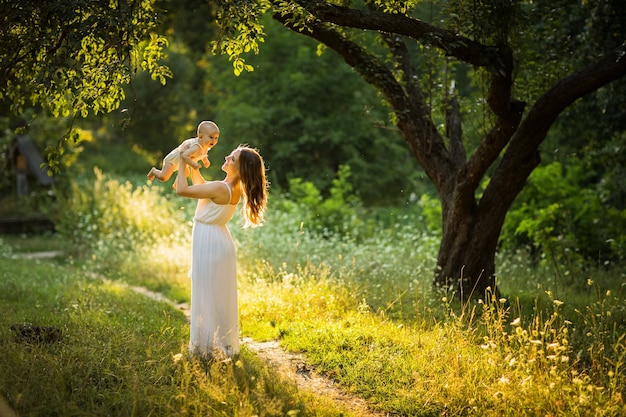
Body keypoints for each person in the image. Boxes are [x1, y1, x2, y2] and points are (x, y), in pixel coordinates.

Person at [175, 144, 268, 358]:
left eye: (232, 158)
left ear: (240, 169)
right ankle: (214, 345)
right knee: (213, 296)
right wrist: (193, 167)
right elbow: (202, 189)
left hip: (211, 242)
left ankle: (206, 349)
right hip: (217, 242)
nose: (227, 157)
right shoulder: (229, 187)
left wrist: (181, 162)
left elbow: (182, 190)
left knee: (208, 295)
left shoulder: (221, 187)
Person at [147, 120, 220, 183]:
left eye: (216, 138)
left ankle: (176, 185)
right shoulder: (196, 147)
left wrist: (205, 161)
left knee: (185, 173)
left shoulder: (205, 146)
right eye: (211, 137)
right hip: (173, 159)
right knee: (164, 177)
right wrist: (193, 164)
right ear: (200, 136)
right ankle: (154, 171)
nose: (213, 141)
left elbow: (203, 154)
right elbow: (184, 155)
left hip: (182, 162)